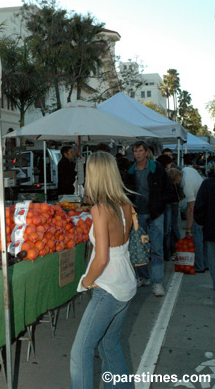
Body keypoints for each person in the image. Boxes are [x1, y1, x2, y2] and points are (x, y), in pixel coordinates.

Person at [70, 152, 136, 388]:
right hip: (126, 281)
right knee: (110, 344)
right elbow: (121, 246)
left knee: (80, 352)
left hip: (108, 286)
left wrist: (86, 282)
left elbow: (102, 257)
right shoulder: (126, 204)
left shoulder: (100, 210)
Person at [125, 141, 175, 296]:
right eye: (135, 151)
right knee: (139, 248)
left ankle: (158, 282)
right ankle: (144, 276)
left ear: (146, 152)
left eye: (140, 151)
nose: (138, 154)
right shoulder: (131, 171)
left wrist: (160, 204)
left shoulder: (157, 168)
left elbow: (168, 189)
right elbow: (127, 192)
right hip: (138, 215)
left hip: (155, 214)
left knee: (157, 248)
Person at [180, 154, 207, 272]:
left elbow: (191, 209)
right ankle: (205, 264)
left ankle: (199, 266)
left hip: (201, 206)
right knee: (205, 238)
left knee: (197, 237)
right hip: (206, 203)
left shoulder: (186, 184)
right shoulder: (187, 170)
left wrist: (188, 228)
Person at [194, 177, 215, 290]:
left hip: (211, 227)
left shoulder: (208, 183)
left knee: (213, 260)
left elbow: (200, 205)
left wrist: (201, 221)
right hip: (211, 226)